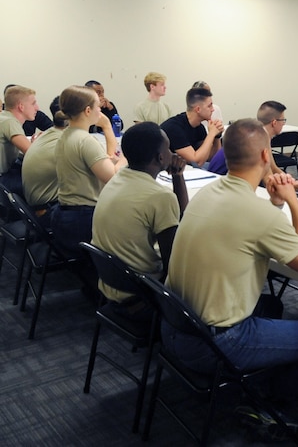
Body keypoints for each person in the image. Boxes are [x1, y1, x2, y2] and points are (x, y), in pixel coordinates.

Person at [162, 117, 298, 407]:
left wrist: (275, 205)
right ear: (266, 156)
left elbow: (250, 230)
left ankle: (259, 375)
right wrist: (292, 201)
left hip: (174, 327)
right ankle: (272, 405)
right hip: (213, 344)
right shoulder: (257, 213)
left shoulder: (208, 192)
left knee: (273, 305)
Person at [92, 122, 188, 320]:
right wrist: (178, 175)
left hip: (113, 283)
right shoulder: (160, 196)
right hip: (141, 293)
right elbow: (173, 263)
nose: (172, 154)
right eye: (168, 149)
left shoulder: (115, 180)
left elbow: (178, 217)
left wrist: (177, 175)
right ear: (160, 157)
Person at [51, 85, 127, 259]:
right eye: (97, 106)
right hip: (82, 218)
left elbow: (101, 162)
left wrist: (112, 160)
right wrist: (125, 156)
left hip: (66, 214)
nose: (100, 109)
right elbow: (112, 177)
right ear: (87, 111)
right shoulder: (85, 140)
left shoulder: (67, 134)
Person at [21, 97, 67, 227]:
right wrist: (106, 126)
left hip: (36, 203)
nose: (37, 107)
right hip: (47, 209)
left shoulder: (47, 135)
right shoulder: (64, 141)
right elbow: (108, 174)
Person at [256, 100, 298, 195]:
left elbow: (273, 167)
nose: (284, 123)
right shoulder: (259, 141)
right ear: (274, 122)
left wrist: (293, 181)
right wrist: (297, 184)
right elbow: (269, 181)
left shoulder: (262, 135)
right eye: (283, 120)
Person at [160, 87, 223, 167]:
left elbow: (212, 158)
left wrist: (217, 136)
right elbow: (196, 162)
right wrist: (211, 134)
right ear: (198, 109)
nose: (213, 109)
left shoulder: (199, 127)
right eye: (209, 106)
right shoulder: (174, 128)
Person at [0, 86, 35, 189]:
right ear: (21, 106)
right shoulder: (10, 122)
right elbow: (31, 152)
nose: (37, 107)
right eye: (33, 103)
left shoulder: (4, 116)